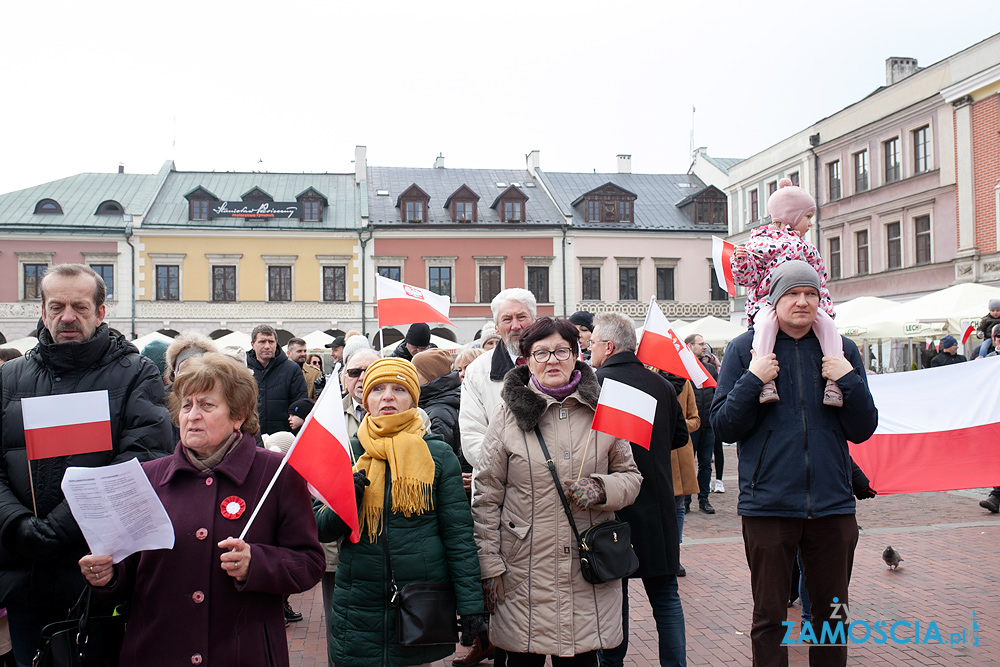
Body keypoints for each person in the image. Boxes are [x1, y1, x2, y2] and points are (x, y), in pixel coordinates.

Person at [79, 353, 325, 667]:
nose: (193, 415)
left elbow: (309, 562)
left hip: (243, 653)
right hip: (158, 652)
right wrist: (109, 575)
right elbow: (131, 568)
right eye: (186, 405)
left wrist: (257, 563)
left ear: (238, 415)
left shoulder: (276, 473)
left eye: (207, 405)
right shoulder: (147, 477)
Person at [0, 264, 173, 667]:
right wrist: (16, 524)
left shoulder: (135, 373)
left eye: (79, 306)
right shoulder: (9, 379)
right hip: (22, 572)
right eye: (56, 306)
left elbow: (144, 459)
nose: (67, 317)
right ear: (42, 311)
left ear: (100, 312)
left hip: (99, 576)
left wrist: (59, 527)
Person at [711, 260, 878, 667]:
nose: (802, 301)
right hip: (768, 504)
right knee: (769, 617)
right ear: (775, 299)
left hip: (832, 503)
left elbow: (863, 428)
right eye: (792, 293)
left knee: (831, 616)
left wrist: (847, 378)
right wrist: (753, 378)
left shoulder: (843, 350)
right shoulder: (744, 348)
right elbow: (724, 426)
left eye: (811, 294)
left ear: (821, 301)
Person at [473, 317, 642, 667]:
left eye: (562, 350)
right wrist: (489, 564)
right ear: (527, 360)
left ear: (577, 354)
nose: (553, 360)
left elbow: (631, 477)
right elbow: (487, 495)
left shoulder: (604, 410)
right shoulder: (507, 417)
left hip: (586, 571)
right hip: (522, 571)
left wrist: (600, 488)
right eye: (542, 352)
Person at [317, 358, 485, 667]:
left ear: (413, 397)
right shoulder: (346, 451)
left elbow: (458, 535)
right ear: (365, 398)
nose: (388, 397)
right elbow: (319, 528)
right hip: (358, 602)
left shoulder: (438, 454)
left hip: (420, 600)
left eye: (399, 388)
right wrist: (346, 499)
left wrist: (471, 604)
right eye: (378, 389)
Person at [589, 313, 688, 667]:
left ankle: (612, 663)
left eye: (593, 343)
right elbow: (680, 436)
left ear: (609, 346)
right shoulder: (660, 384)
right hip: (658, 505)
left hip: (614, 507)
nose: (589, 349)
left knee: (614, 598)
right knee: (666, 598)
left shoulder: (596, 384)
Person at [731, 178, 843, 407]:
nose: (811, 223)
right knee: (765, 326)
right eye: (808, 216)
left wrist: (825, 308)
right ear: (790, 215)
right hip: (766, 303)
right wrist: (740, 262)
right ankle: (764, 379)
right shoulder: (759, 244)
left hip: (807, 307)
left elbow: (820, 281)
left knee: (829, 327)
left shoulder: (807, 248)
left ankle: (835, 379)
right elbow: (748, 279)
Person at [460, 288, 537, 473]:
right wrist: (513, 471)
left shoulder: (557, 363)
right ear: (496, 328)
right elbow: (472, 435)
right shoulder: (477, 371)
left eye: (522, 317)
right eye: (507, 319)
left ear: (534, 321)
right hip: (499, 484)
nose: (515, 326)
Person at [247, 325, 308, 435]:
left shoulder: (292, 369)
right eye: (262, 342)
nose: (267, 346)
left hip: (282, 437)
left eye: (271, 341)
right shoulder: (243, 369)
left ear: (276, 343)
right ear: (253, 344)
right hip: (251, 436)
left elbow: (300, 402)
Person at [686, 334, 723, 496]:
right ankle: (686, 500)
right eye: (700, 344)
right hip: (690, 425)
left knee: (706, 463)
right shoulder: (683, 369)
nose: (704, 347)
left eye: (704, 344)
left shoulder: (710, 369)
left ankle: (704, 498)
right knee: (688, 463)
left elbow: (718, 393)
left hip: (708, 424)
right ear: (689, 346)